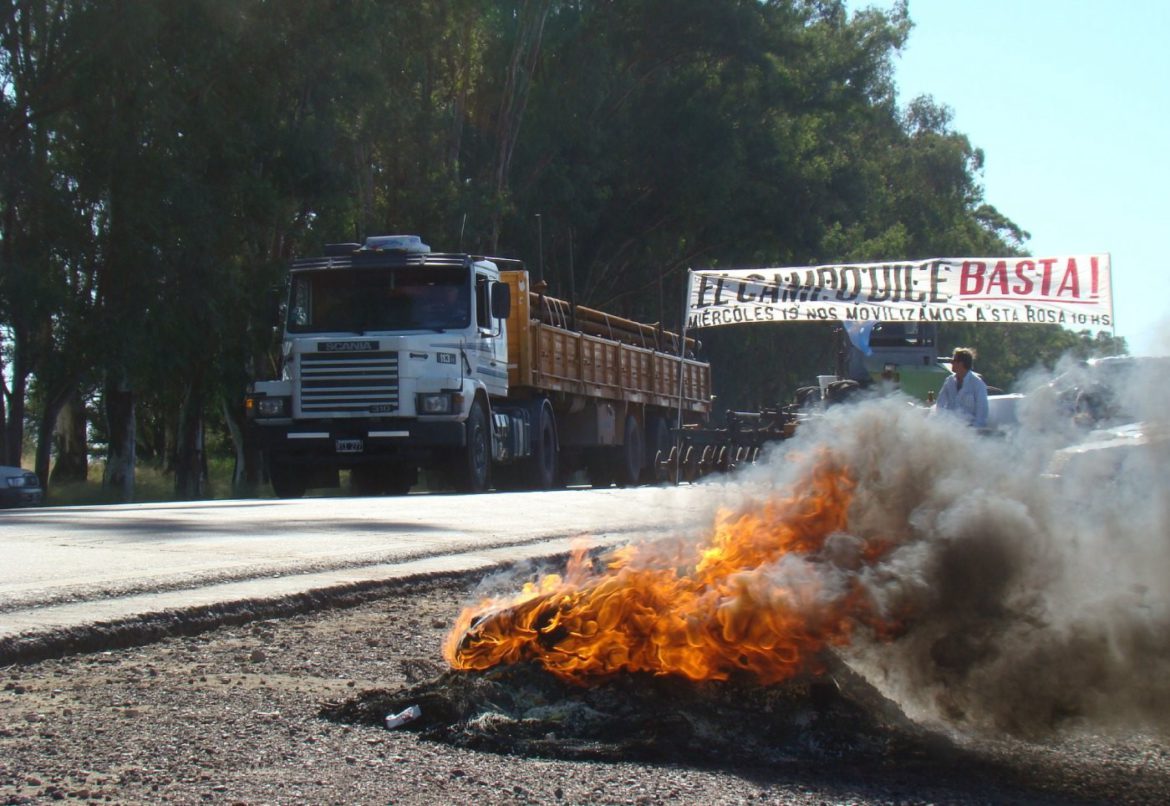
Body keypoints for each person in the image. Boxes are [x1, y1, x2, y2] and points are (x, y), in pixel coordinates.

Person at [934, 347, 989, 429]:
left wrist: (972, 430)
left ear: (961, 363)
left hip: (969, 430)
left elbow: (981, 416)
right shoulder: (949, 381)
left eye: (953, 360)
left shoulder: (978, 384)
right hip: (949, 428)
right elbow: (940, 404)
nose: (951, 363)